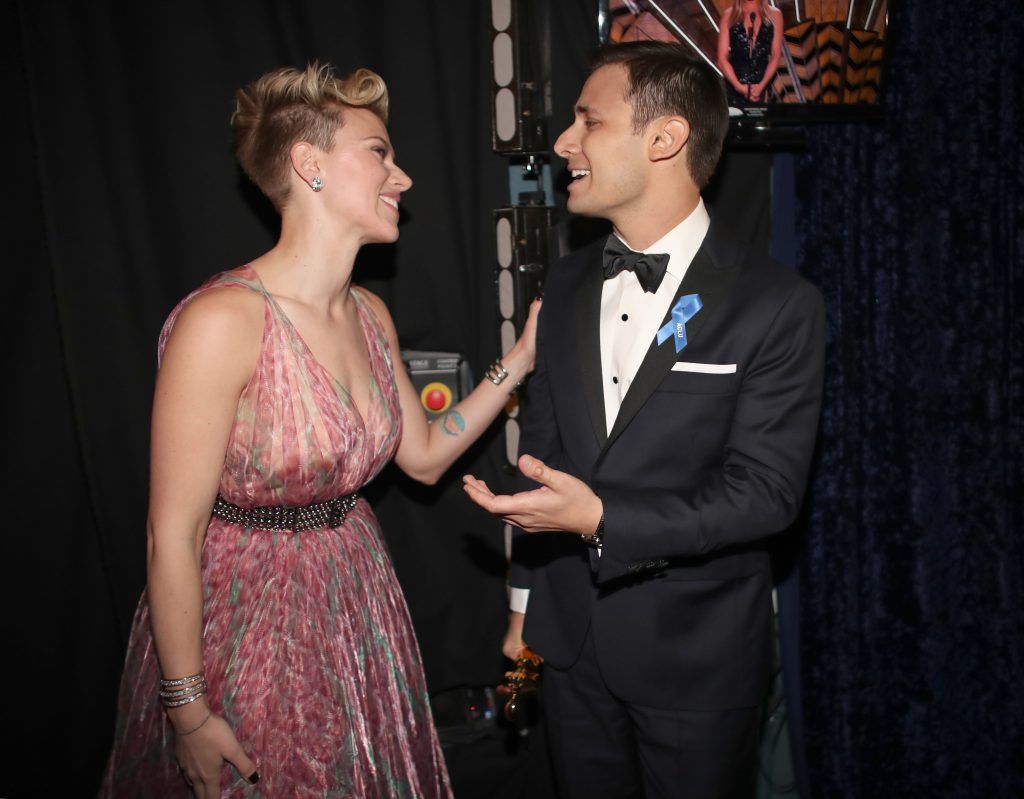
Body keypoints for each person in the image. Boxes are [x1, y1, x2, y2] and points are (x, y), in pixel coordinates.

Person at [100, 62, 539, 798]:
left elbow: (425, 457)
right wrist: (188, 710)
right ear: (308, 163)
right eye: (379, 152)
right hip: (248, 623)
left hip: (356, 603)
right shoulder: (221, 322)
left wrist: (521, 360)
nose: (402, 176)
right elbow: (170, 534)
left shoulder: (371, 315)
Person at [463, 42, 824, 798]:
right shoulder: (562, 285)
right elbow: (545, 452)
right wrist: (525, 609)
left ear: (664, 139)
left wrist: (600, 516)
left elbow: (766, 495)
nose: (563, 142)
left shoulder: (777, 303)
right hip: (569, 648)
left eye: (588, 120)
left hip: (696, 658)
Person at [718, 0, 784, 104]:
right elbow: (722, 59)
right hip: (734, 89)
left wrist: (761, 86)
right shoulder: (728, 16)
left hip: (762, 90)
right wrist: (739, 86)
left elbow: (776, 56)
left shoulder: (775, 15)